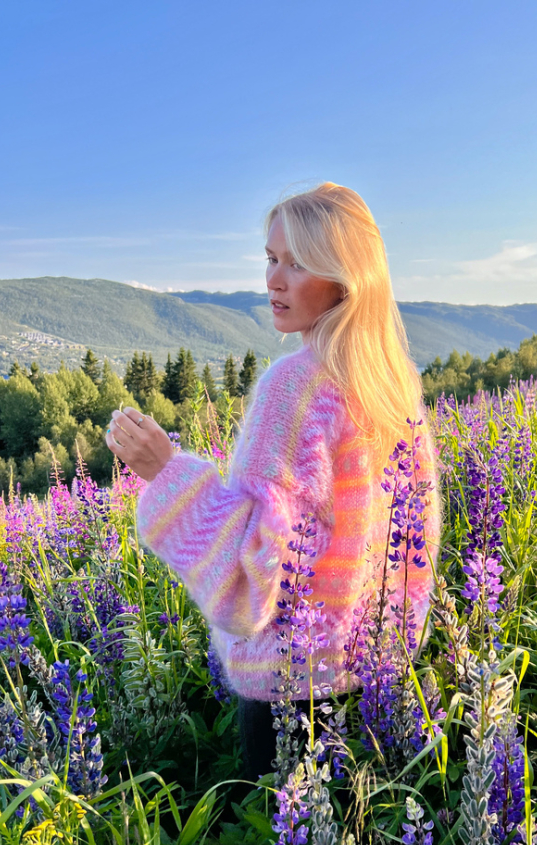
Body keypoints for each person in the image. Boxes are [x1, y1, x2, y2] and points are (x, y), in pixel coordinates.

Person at [105, 182, 440, 779]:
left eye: (298, 263)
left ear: (345, 279)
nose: (274, 280)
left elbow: (252, 580)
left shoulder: (295, 387)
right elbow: (414, 545)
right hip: (381, 680)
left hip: (290, 693)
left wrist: (166, 472)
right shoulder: (392, 383)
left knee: (283, 837)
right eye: (271, 258)